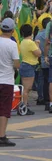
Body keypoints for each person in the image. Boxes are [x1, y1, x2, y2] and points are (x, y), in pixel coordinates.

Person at [0, 18, 20, 147]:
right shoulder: (12, 44)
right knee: (4, 110)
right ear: (12, 31)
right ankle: (2, 136)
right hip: (6, 80)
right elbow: (16, 64)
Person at [18, 24, 40, 115]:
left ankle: (23, 106)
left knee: (25, 88)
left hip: (24, 64)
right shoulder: (30, 43)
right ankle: (24, 108)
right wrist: (37, 44)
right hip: (29, 66)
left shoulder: (22, 41)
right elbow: (38, 53)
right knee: (27, 89)